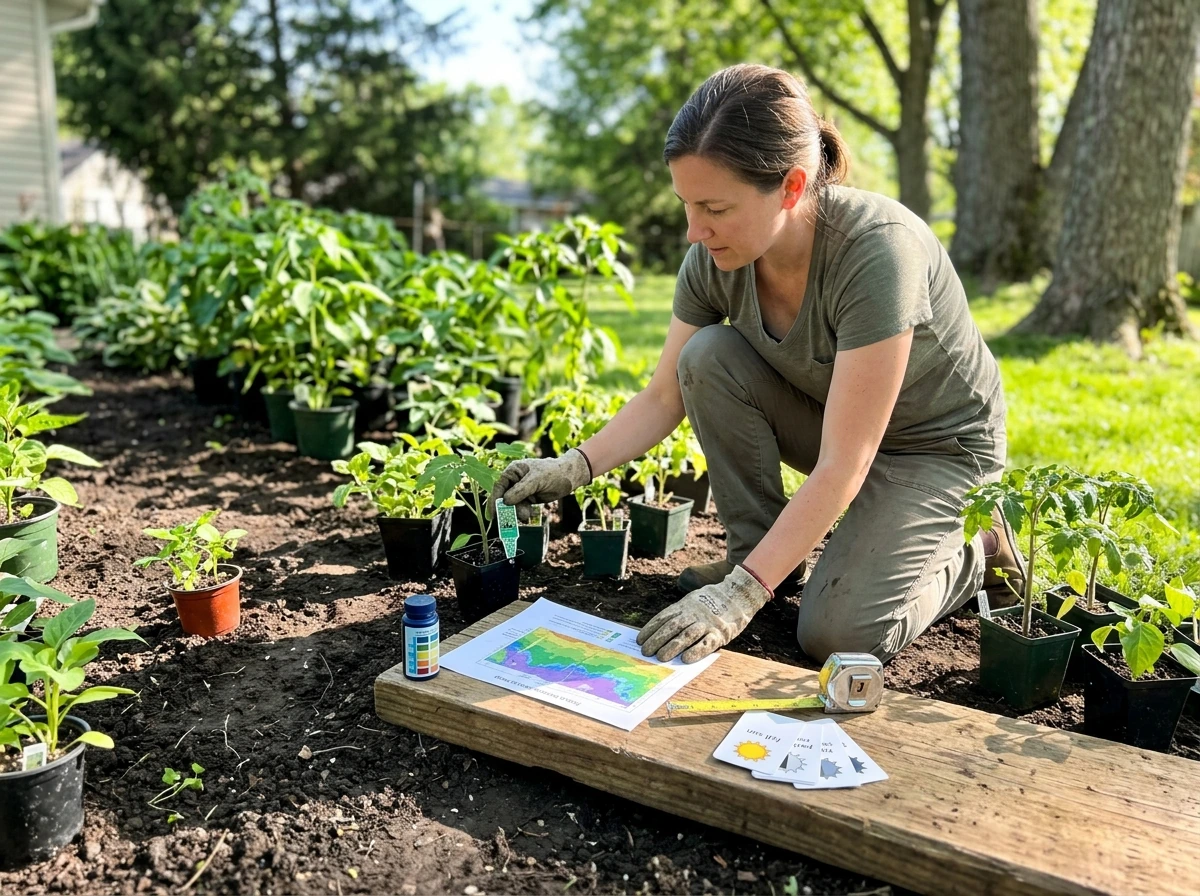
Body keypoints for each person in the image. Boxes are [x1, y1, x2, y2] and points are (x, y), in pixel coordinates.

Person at [492, 63, 1024, 666]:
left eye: (715, 207)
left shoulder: (878, 251)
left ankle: (976, 547)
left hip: (938, 450)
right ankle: (763, 559)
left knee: (837, 637)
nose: (695, 231)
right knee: (706, 357)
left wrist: (737, 598)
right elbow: (666, 394)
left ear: (792, 188)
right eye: (686, 205)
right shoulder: (718, 258)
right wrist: (571, 467)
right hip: (837, 423)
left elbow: (847, 460)